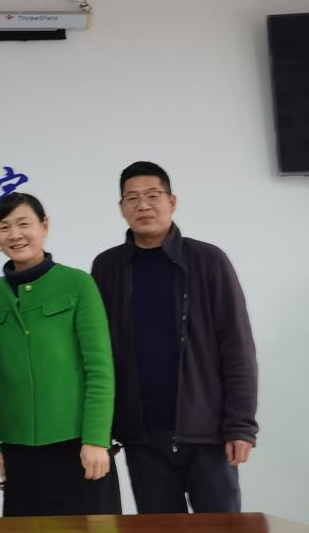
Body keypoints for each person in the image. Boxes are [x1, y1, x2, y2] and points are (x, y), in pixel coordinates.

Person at [91, 161, 258, 513]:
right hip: (142, 436)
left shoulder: (208, 261)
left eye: (153, 195)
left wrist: (241, 426)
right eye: (132, 198)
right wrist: (101, 428)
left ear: (172, 201)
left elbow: (237, 347)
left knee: (222, 528)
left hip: (207, 433)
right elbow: (98, 353)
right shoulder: (107, 267)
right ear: (121, 207)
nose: (143, 205)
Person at [0, 191, 120, 516]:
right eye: (4, 227)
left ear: (44, 226)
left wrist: (96, 439)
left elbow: (100, 370)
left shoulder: (78, 284)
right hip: (18, 451)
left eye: (24, 224)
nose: (15, 235)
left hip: (78, 446)